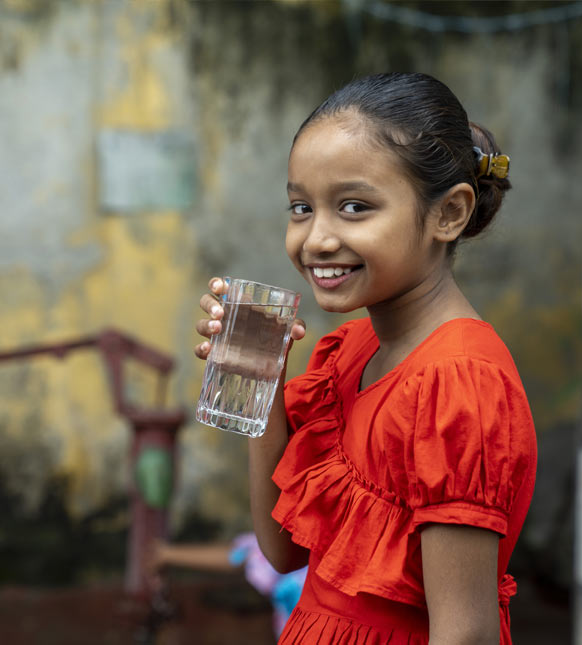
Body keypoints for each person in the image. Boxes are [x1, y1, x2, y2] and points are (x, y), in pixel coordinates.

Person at [194, 73, 537, 644]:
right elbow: (282, 552)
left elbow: (466, 634)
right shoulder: (351, 351)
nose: (316, 239)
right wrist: (261, 381)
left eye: (354, 206)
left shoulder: (457, 386)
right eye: (301, 207)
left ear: (448, 213)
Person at [151, 533, 307, 639]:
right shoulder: (289, 627)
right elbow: (240, 557)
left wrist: (166, 554)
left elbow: (240, 557)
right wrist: (166, 554)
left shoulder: (277, 578)